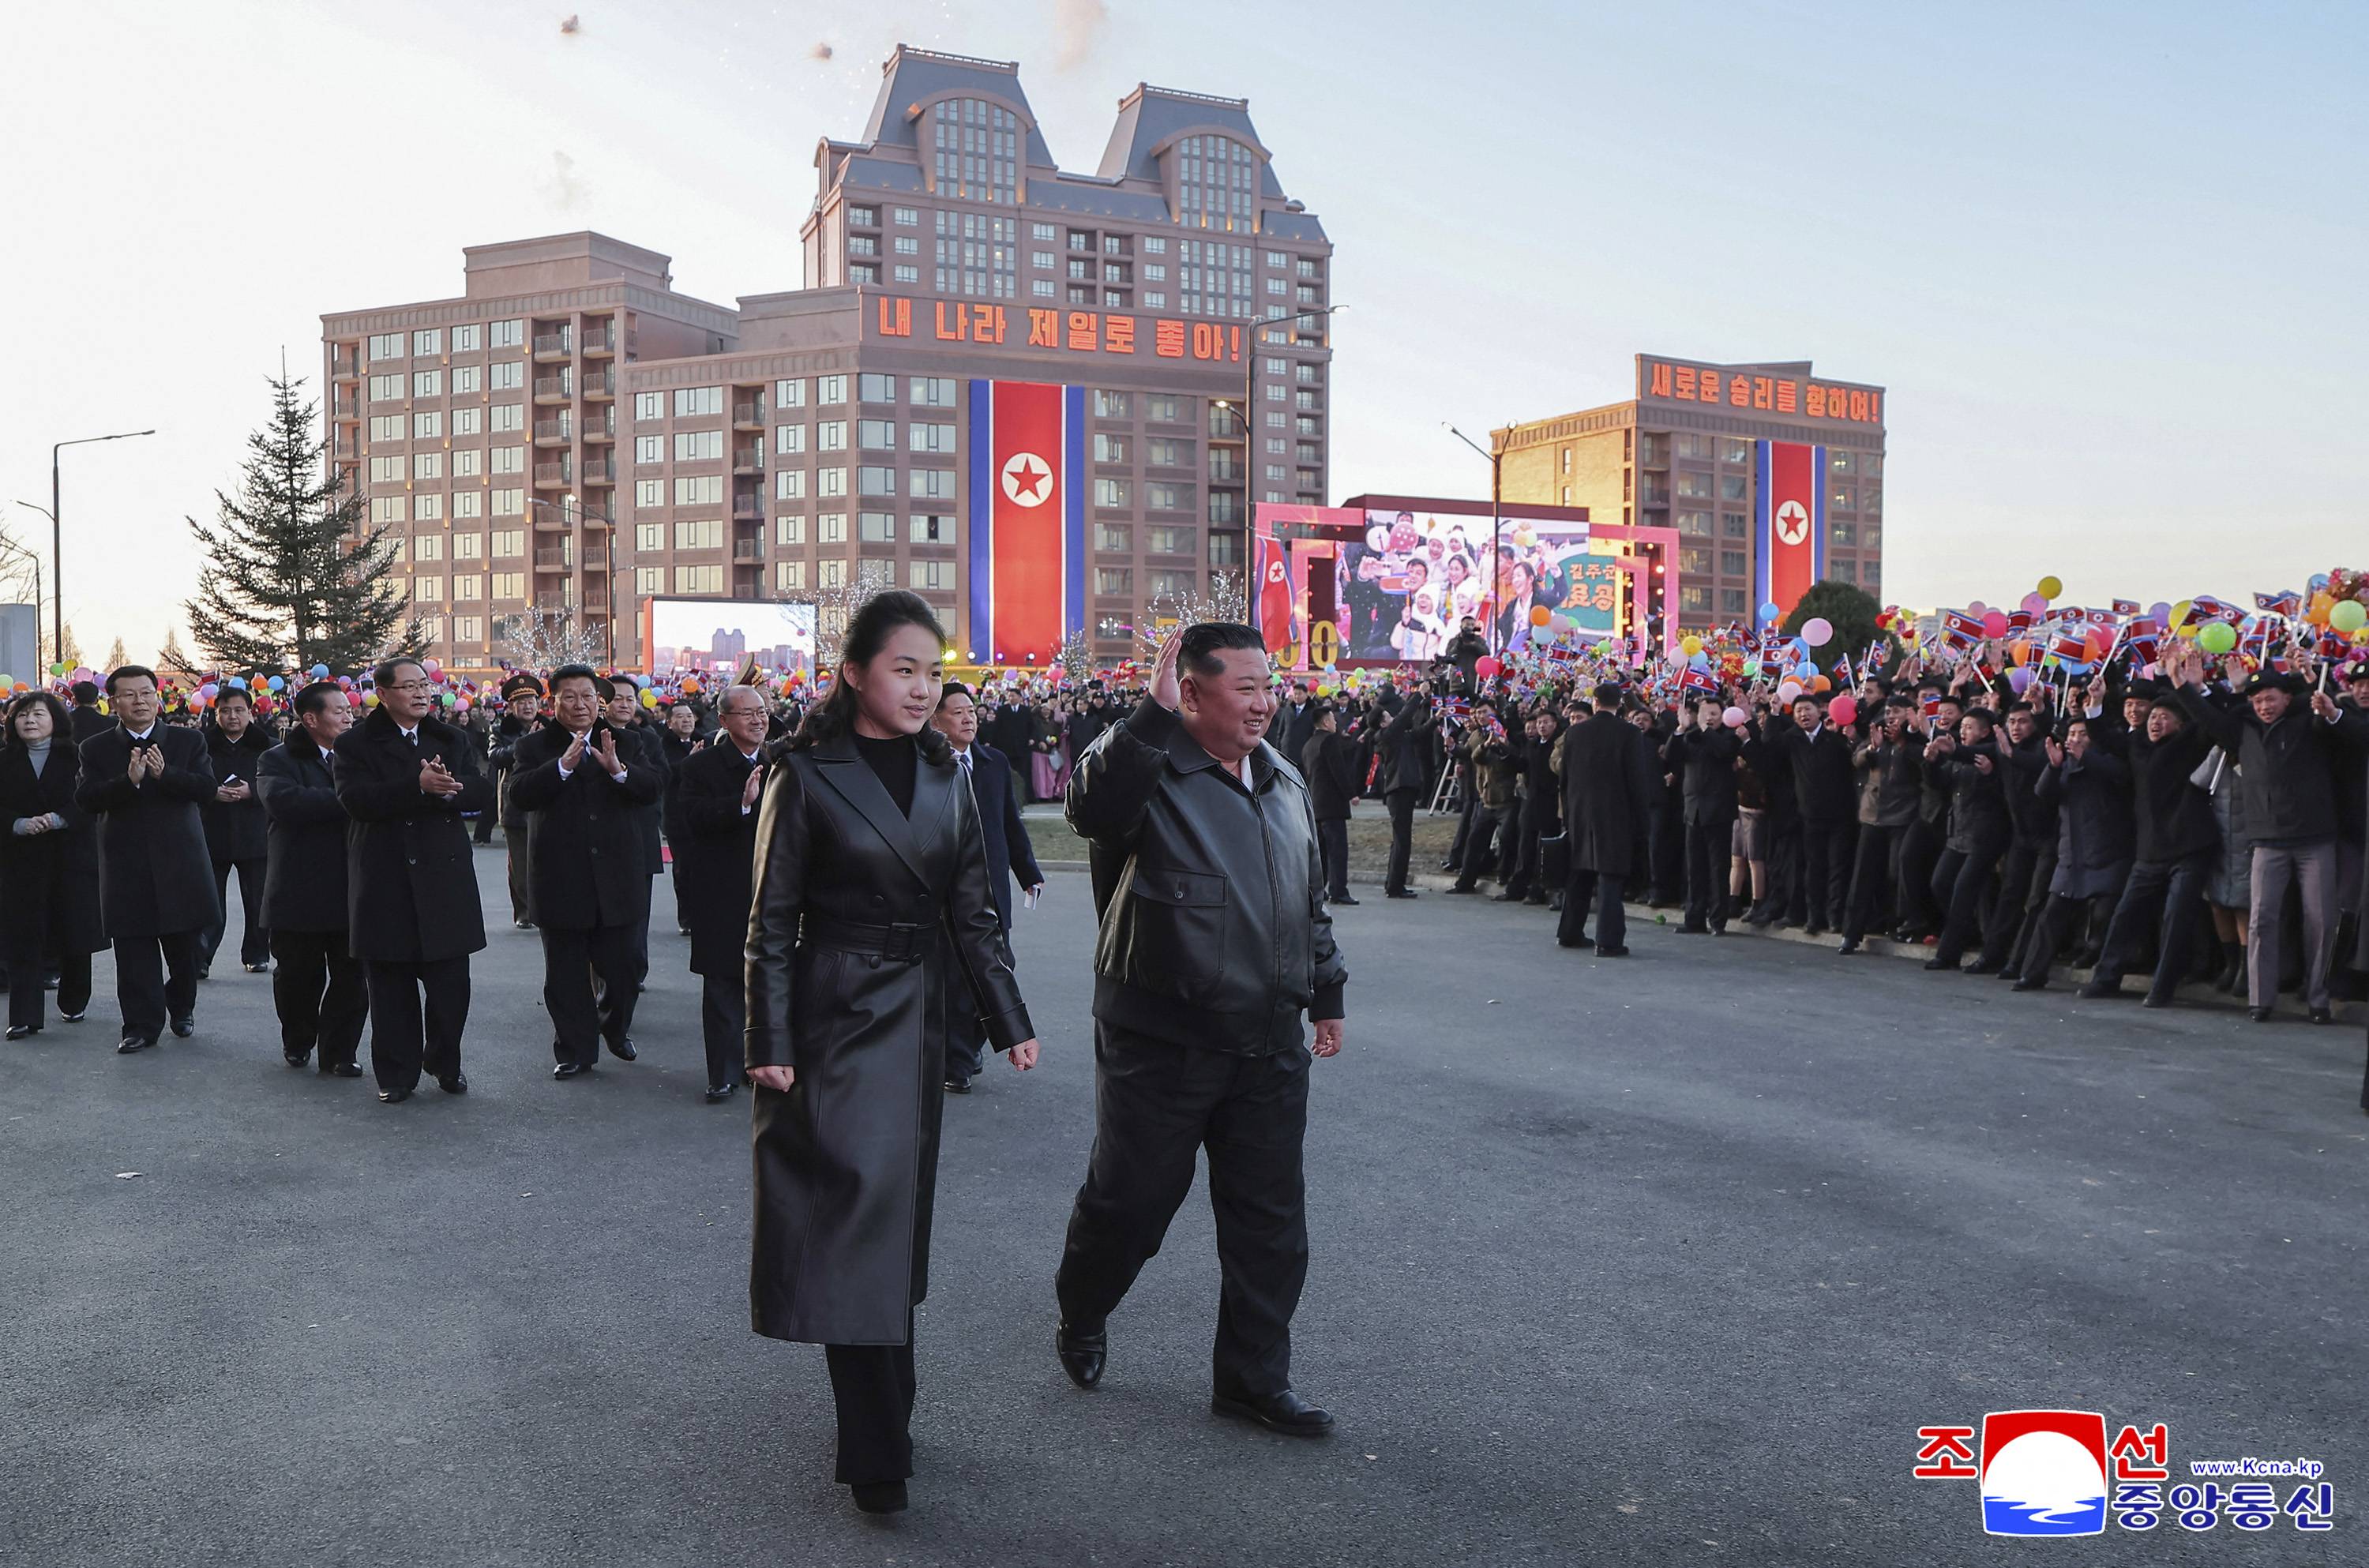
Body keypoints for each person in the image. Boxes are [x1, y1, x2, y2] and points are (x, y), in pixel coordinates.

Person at [745, 591, 1040, 1515]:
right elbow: (770, 924)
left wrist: (1009, 1019)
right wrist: (768, 1038)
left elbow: (974, 913)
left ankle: (889, 1419)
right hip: (831, 1022)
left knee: (895, 1227)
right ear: (853, 674)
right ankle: (875, 1450)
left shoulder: (948, 773)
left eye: (931, 673)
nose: (921, 689)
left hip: (917, 1020)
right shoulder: (805, 773)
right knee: (853, 1230)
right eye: (903, 670)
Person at [1057, 621, 1346, 1439]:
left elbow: (1309, 900)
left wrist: (1327, 989)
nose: (1263, 703)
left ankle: (1253, 1382)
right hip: (1163, 1040)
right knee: (1131, 1204)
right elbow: (1090, 806)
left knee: (1270, 1224)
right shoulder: (1145, 768)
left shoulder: (1282, 778)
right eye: (1244, 688)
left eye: (1268, 686)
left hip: (1268, 1040)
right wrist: (1148, 717)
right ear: (1190, 691)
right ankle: (1083, 1308)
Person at [2172, 650, 2362, 1023]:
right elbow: (2206, 715)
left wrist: (2311, 679)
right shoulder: (2241, 731)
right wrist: (2182, 685)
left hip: (2315, 839)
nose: (2264, 706)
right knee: (2261, 919)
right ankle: (2260, 999)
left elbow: (2337, 720)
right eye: (2257, 700)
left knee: (2320, 922)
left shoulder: (2310, 723)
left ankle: (2318, 998)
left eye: (2270, 699)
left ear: (2287, 699)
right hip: (2266, 841)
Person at [337, 657, 492, 1104]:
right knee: (390, 986)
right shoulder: (355, 743)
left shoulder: (451, 737)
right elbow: (355, 800)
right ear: (383, 694)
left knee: (450, 987)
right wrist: (417, 786)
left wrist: (448, 788)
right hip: (386, 876)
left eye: (424, 684)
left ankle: (445, 1061)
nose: (421, 693)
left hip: (444, 876)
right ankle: (396, 1075)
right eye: (409, 686)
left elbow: (480, 789)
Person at [509, 666, 665, 1079]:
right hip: (561, 875)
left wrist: (619, 771)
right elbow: (520, 795)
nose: (581, 705)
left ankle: (614, 1026)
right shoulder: (534, 746)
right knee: (565, 973)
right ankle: (575, 1049)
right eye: (570, 697)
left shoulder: (628, 741)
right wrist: (560, 767)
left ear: (600, 702)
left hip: (618, 874)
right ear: (553, 702)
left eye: (588, 697)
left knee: (625, 967)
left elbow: (653, 788)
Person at [75, 666, 218, 1053]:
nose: (139, 701)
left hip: (180, 859)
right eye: (129, 695)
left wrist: (165, 775)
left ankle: (182, 1007)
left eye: (146, 693)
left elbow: (206, 789)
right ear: (113, 703)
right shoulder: (95, 748)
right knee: (133, 948)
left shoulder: (188, 740)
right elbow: (86, 799)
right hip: (125, 861)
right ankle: (140, 1025)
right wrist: (129, 782)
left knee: (186, 947)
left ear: (158, 698)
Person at [929, 680, 1042, 1094]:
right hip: (945, 890)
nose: (968, 718)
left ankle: (970, 1046)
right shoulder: (927, 764)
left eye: (971, 711)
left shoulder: (994, 763)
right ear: (936, 720)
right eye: (957, 712)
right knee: (955, 977)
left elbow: (1010, 822)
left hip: (992, 887)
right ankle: (957, 1060)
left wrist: (1028, 872)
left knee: (999, 964)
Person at [255, 679, 366, 1075]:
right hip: (298, 885)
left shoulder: (361, 756)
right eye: (339, 711)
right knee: (297, 976)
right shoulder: (277, 759)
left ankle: (340, 1052)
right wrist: (355, 799)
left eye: (349, 709)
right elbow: (285, 802)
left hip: (355, 883)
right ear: (311, 719)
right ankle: (299, 1039)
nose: (349, 717)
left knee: (352, 976)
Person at [670, 683, 768, 1102]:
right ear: (724, 721)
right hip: (721, 888)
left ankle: (761, 1063)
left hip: (772, 887)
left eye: (762, 712)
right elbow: (691, 818)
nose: (758, 720)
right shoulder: (700, 766)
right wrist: (740, 804)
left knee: (768, 982)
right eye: (748, 713)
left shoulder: (780, 762)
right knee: (724, 982)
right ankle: (723, 1072)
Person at [2, 692, 102, 1039]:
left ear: (55, 720)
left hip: (71, 856)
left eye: (38, 714)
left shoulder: (79, 757)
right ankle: (24, 1015)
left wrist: (60, 818)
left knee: (74, 931)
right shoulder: (4, 760)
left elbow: (92, 801)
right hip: (20, 861)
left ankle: (73, 1000)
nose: (29, 721)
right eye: (22, 715)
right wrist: (17, 824)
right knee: (23, 936)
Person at [1557, 684, 1656, 956]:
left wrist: (1568, 813)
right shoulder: (1629, 733)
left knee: (1579, 874)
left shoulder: (1575, 732)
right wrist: (1642, 819)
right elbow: (1636, 779)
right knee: (1610, 876)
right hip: (1615, 815)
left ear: (1595, 702)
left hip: (1580, 813)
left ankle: (1569, 932)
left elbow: (1565, 779)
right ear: (1620, 704)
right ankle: (1608, 940)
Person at [197, 684, 273, 977]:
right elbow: (191, 780)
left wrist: (252, 791)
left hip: (255, 832)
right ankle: (202, 958)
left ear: (250, 713)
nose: (232, 716)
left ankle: (257, 953)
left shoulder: (267, 745)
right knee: (209, 901)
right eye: (225, 711)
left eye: (239, 710)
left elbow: (278, 782)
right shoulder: (201, 744)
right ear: (216, 714)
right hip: (212, 831)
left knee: (257, 900)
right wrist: (211, 791)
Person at [1667, 697, 1742, 934]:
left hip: (1719, 811)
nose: (1708, 718)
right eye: (1704, 713)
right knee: (1695, 868)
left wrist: (1705, 729)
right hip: (1693, 810)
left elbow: (1724, 752)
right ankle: (1694, 919)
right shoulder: (1691, 736)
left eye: (1713, 714)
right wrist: (1680, 729)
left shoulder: (1729, 736)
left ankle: (1718, 920)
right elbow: (1671, 756)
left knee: (1718, 868)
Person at [490, 677, 544, 929]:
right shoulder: (500, 729)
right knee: (520, 862)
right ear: (511, 707)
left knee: (549, 859)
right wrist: (524, 744)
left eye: (531, 701)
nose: (527, 706)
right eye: (521, 702)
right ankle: (523, 910)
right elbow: (496, 757)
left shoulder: (549, 727)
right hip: (515, 803)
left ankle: (546, 908)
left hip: (545, 799)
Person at [1301, 702, 1364, 906]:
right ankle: (1339, 890)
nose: (1336, 723)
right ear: (1326, 722)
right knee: (1337, 851)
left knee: (1321, 853)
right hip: (1332, 804)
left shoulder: (1309, 744)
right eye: (1334, 720)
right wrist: (1351, 794)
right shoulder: (1329, 741)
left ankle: (1318, 890)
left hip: (1316, 804)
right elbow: (1338, 770)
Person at [1376, 691, 1435, 899]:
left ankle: (1394, 882)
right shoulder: (1387, 736)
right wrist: (1419, 694)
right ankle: (1395, 886)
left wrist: (1436, 718)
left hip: (1404, 789)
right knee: (1402, 840)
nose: (1392, 717)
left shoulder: (1399, 736)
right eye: (1388, 716)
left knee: (1401, 840)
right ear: (1383, 723)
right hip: (1398, 791)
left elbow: (1420, 733)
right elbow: (1405, 715)